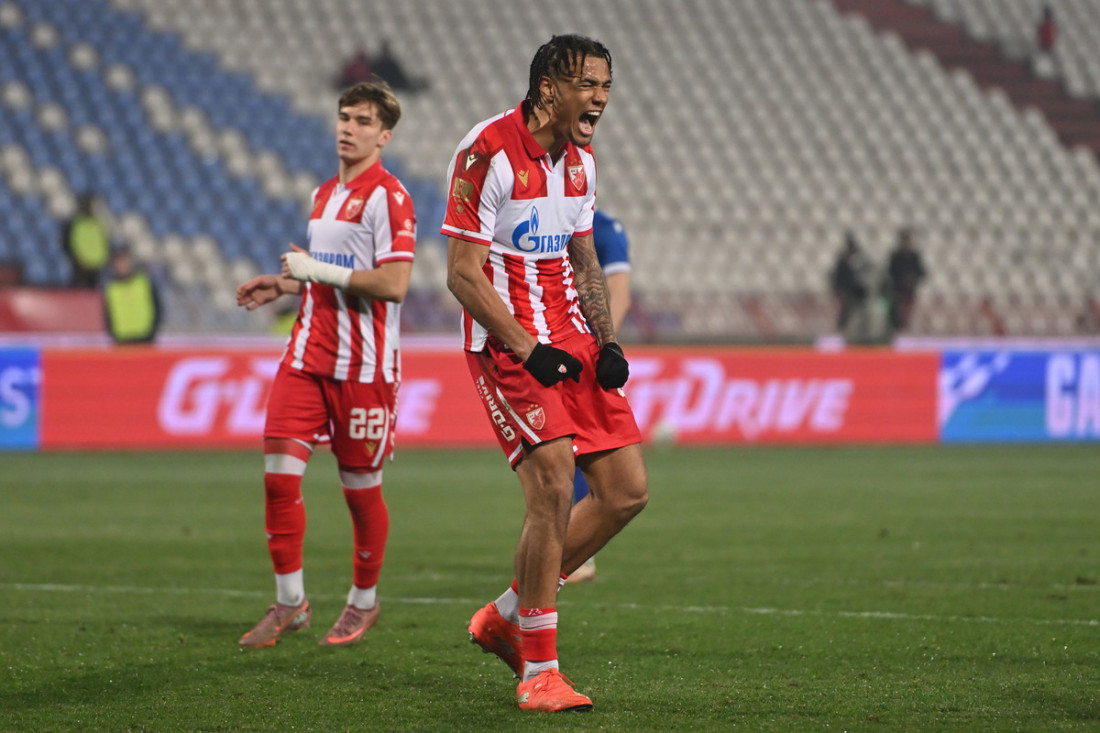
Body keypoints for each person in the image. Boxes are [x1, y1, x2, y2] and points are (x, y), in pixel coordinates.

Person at [443, 34, 648, 713]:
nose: (601, 98)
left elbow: (583, 260)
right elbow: (462, 274)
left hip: (570, 337)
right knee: (555, 482)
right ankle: (539, 670)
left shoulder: (581, 162)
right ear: (549, 88)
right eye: (589, 84)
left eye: (606, 85)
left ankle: (507, 615)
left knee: (625, 492)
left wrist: (607, 343)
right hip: (508, 344)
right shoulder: (489, 151)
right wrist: (527, 348)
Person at [235, 80, 416, 649]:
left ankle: (364, 600)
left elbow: (394, 283)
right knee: (277, 478)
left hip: (364, 368)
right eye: (344, 117)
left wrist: (313, 270)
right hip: (306, 356)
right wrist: (287, 284)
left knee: (360, 492)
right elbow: (330, 273)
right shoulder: (323, 194)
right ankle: (291, 602)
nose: (348, 128)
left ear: (384, 136)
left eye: (363, 121)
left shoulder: (389, 197)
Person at [566, 207, 631, 584]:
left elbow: (619, 292)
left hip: (587, 352)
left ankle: (577, 552)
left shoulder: (604, 228)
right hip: (550, 346)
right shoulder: (547, 217)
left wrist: (605, 346)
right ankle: (567, 550)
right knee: (557, 453)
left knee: (577, 449)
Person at [102, 244, 160, 344]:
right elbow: (108, 314)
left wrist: (152, 330)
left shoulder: (144, 281)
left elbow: (157, 307)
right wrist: (113, 334)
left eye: (124, 260)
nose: (122, 265)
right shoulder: (111, 287)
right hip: (122, 340)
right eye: (119, 261)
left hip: (145, 338)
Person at [63, 192, 111, 288]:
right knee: (80, 288)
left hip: (96, 265)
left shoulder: (98, 224)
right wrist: (79, 259)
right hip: (82, 265)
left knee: (94, 289)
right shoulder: (76, 224)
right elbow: (70, 243)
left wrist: (102, 260)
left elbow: (104, 242)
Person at [886, 227, 926, 332]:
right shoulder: (896, 256)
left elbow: (921, 272)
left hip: (910, 288)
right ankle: (899, 326)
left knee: (908, 309)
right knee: (899, 309)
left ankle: (906, 325)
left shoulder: (914, 256)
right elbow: (891, 272)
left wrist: (913, 278)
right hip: (899, 288)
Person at [829, 231, 871, 334]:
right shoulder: (843, 261)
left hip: (857, 291)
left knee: (859, 311)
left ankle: (861, 329)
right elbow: (838, 275)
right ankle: (843, 329)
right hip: (848, 290)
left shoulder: (859, 259)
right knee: (846, 311)